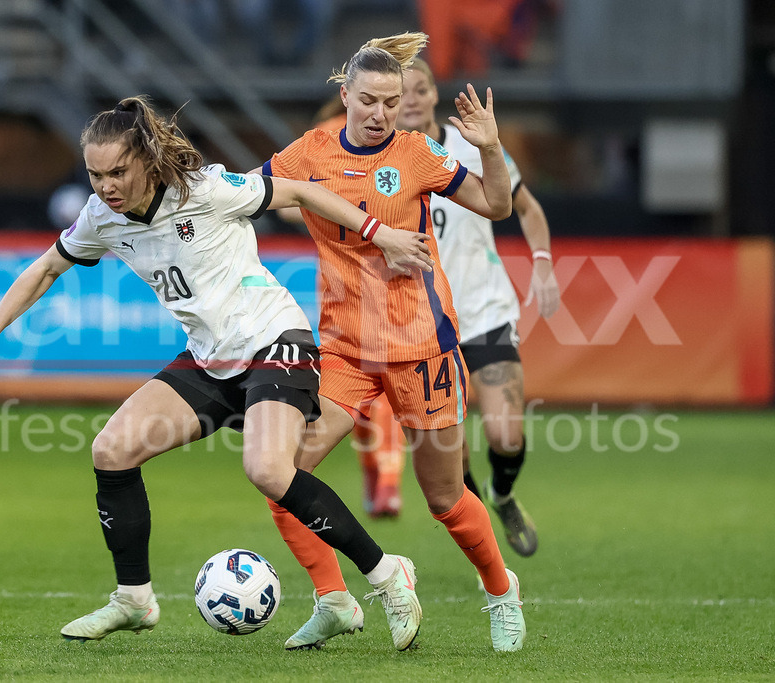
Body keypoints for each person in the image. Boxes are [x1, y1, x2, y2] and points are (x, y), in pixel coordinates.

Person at [0, 96, 434, 645]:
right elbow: (46, 268)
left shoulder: (203, 190)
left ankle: (387, 574)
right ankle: (134, 599)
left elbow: (301, 191)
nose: (107, 186)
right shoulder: (101, 217)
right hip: (210, 358)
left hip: (274, 339)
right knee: (111, 451)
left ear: (145, 160)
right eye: (95, 175)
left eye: (118, 172)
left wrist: (380, 233)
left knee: (268, 470)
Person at [253, 32, 527, 653]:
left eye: (391, 101)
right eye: (369, 100)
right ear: (345, 94)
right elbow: (249, 192)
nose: (380, 113)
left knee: (445, 499)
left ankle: (500, 590)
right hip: (345, 350)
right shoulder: (312, 150)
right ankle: (333, 600)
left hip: (421, 347)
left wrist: (489, 148)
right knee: (281, 474)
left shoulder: (417, 152)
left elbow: (497, 205)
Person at [357, 57, 560, 559]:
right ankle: (482, 538)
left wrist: (542, 263)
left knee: (506, 435)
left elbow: (525, 208)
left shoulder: (470, 146)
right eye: (400, 92)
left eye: (420, 89)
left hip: (485, 311)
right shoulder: (376, 161)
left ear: (434, 96)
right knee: (453, 457)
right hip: (424, 325)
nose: (411, 99)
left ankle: (503, 494)